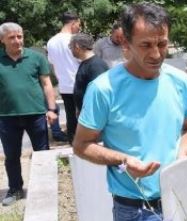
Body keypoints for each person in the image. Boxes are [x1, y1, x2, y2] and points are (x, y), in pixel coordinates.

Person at [73, 3, 187, 221]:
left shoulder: (180, 81)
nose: (156, 54)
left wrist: (185, 146)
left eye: (162, 44)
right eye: (145, 45)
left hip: (182, 199)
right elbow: (82, 145)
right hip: (137, 213)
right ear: (126, 45)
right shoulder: (104, 89)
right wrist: (124, 161)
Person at [0, 23, 58, 206]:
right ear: (2, 39)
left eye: (20, 36)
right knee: (11, 155)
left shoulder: (36, 57)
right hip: (7, 116)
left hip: (36, 114)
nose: (17, 40)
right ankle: (16, 189)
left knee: (43, 154)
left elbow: (47, 84)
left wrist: (51, 109)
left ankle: (47, 189)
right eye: (12, 37)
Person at [46, 12, 81, 143]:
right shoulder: (74, 40)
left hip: (64, 86)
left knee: (70, 117)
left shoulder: (51, 42)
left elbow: (53, 64)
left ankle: (73, 142)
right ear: (73, 23)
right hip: (79, 84)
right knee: (84, 116)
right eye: (78, 24)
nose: (79, 27)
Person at [69, 33, 108, 115]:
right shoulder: (85, 63)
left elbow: (100, 93)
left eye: (71, 47)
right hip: (86, 113)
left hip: (94, 115)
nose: (71, 50)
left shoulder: (96, 65)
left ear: (77, 46)